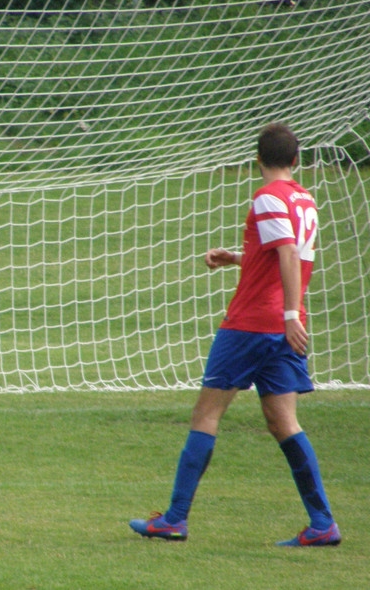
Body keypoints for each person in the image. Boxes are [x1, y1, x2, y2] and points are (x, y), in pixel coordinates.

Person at [129, 123, 341, 547]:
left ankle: (175, 519)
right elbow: (283, 255)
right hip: (284, 327)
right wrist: (238, 259)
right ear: (295, 160)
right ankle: (323, 524)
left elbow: (287, 254)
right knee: (283, 421)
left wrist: (287, 315)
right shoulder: (305, 199)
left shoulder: (267, 197)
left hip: (253, 324)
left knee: (206, 415)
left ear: (257, 159)